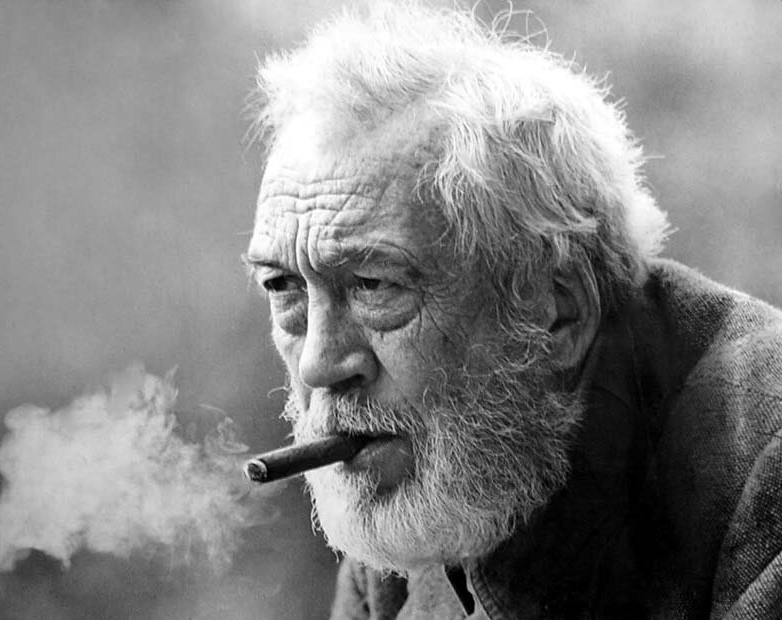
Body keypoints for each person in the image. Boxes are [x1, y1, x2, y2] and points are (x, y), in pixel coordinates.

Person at [244, 2, 782, 618]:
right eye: (283, 287)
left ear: (556, 313)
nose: (317, 364)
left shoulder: (764, 465)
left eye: (373, 285)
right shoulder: (409, 496)